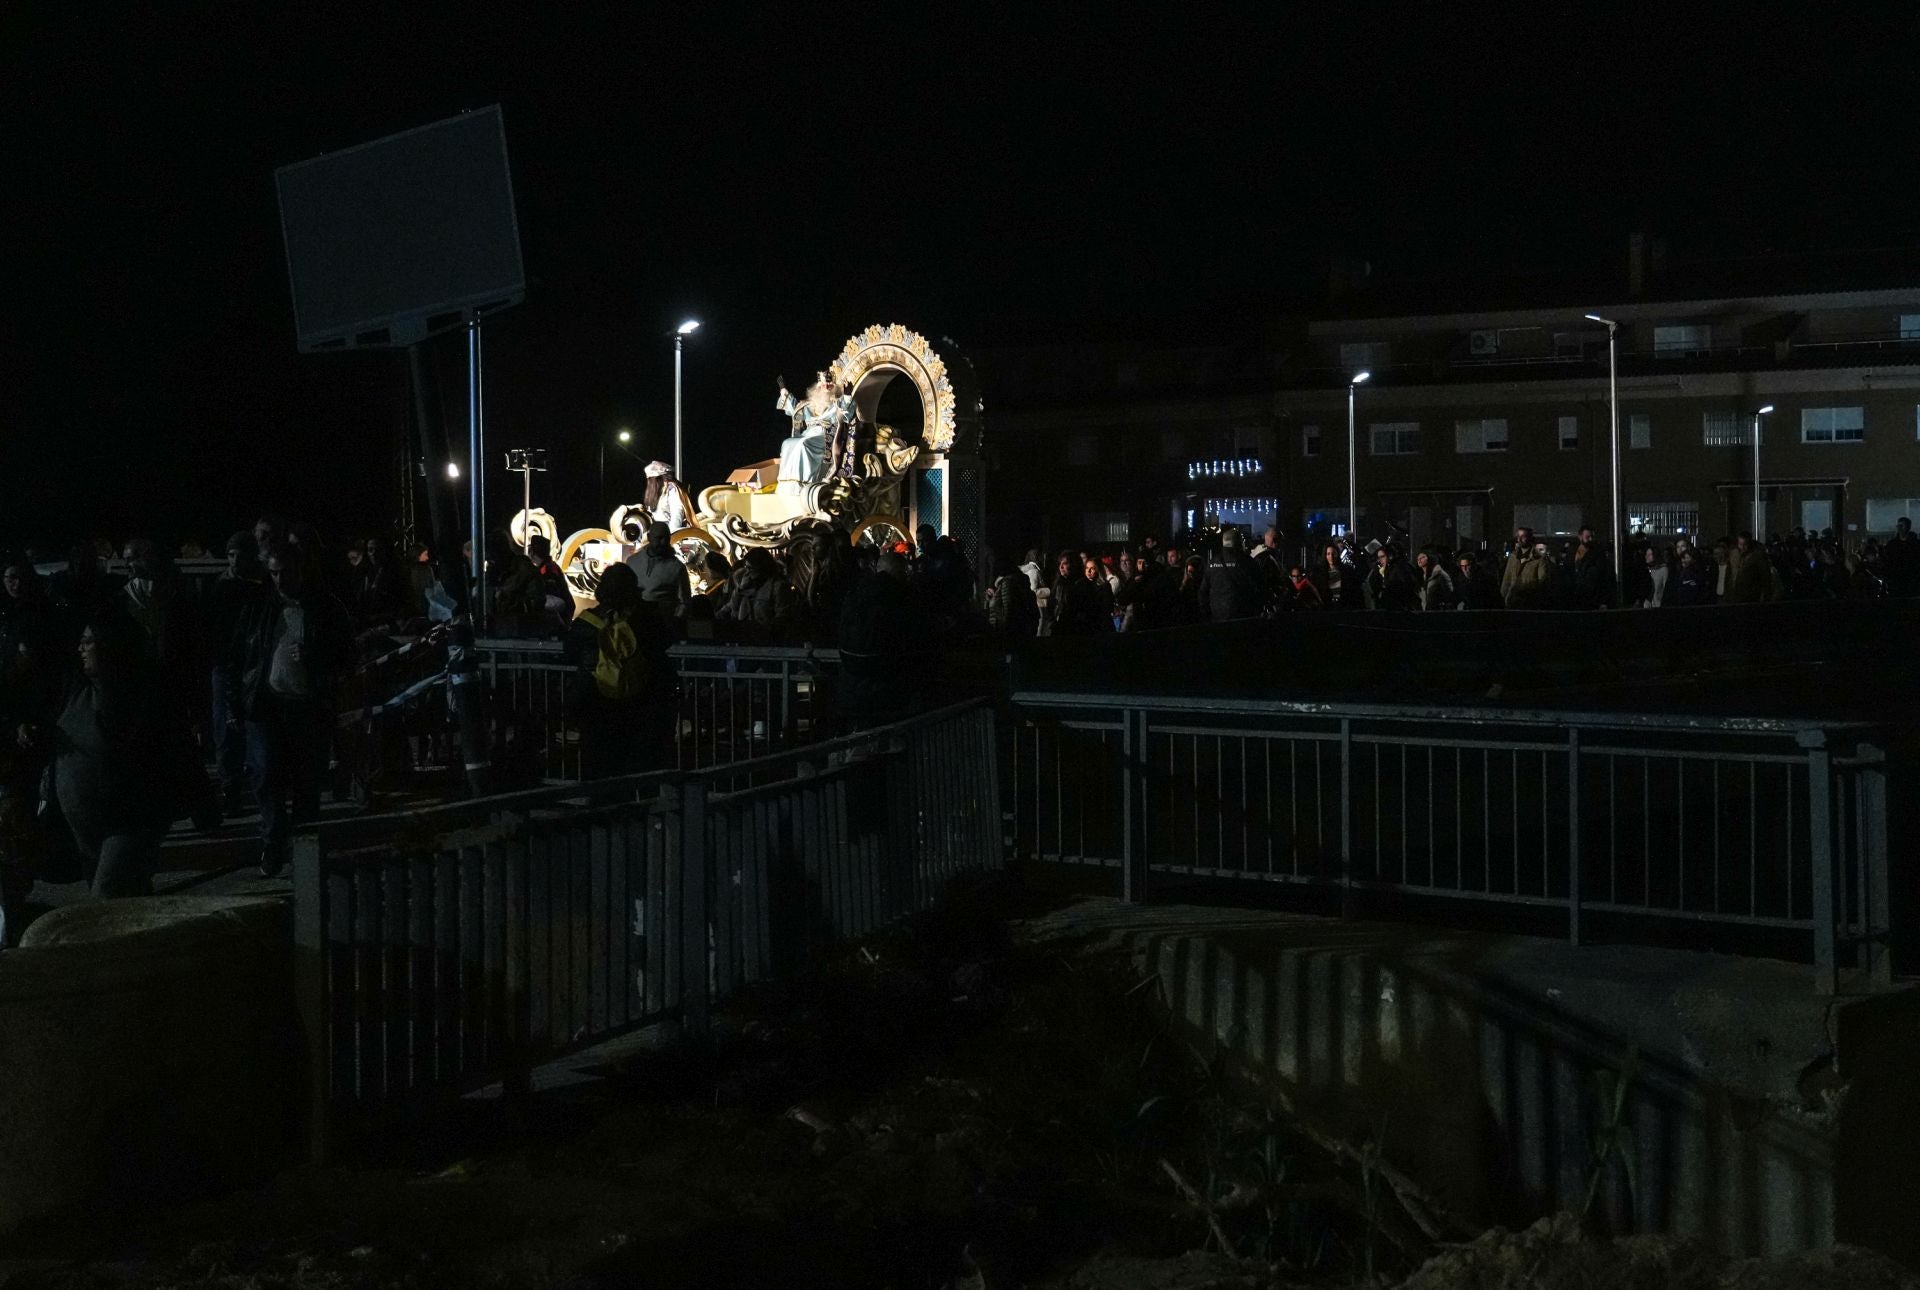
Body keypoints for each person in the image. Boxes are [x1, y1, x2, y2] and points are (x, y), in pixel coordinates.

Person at [43, 610, 187, 898]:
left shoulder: (140, 700)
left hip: (128, 821)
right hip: (85, 826)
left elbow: (165, 759)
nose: (80, 649)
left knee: (107, 895)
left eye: (89, 642)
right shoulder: (76, 690)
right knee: (125, 903)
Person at [235, 544, 354, 877]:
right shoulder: (259, 606)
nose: (279, 580)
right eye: (273, 573)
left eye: (285, 572)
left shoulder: (325, 607)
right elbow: (241, 655)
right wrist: (237, 701)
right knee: (266, 773)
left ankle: (305, 849)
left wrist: (316, 656)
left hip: (307, 706)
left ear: (301, 570)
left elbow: (347, 656)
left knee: (306, 782)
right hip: (266, 703)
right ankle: (273, 841)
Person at [564, 562, 676, 778]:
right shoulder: (648, 617)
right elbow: (665, 642)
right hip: (643, 704)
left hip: (597, 702)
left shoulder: (586, 621)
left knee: (600, 767)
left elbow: (569, 651)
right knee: (641, 769)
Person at [205, 532, 263, 813]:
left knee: (254, 726)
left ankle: (253, 784)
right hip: (226, 665)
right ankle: (231, 789)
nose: (236, 560)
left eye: (240, 554)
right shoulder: (220, 588)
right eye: (231, 555)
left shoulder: (260, 587)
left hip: (254, 665)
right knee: (226, 731)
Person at [775, 371, 858, 484]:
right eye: (823, 385)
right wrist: (784, 391)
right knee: (787, 443)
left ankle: (806, 481)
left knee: (803, 444)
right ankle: (788, 480)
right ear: (818, 387)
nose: (826, 387)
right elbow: (795, 409)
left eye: (829, 385)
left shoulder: (837, 405)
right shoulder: (810, 404)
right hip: (808, 433)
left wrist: (847, 396)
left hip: (825, 435)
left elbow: (847, 415)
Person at [625, 521, 691, 625]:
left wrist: (675, 621)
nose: (663, 542)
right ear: (649, 537)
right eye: (659, 538)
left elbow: (685, 601)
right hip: (636, 622)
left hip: (663, 624)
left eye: (666, 538)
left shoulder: (677, 567)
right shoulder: (632, 561)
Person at [1199, 529, 1261, 622]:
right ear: (1239, 543)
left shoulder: (1213, 562)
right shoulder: (1248, 562)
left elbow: (1203, 592)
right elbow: (1259, 587)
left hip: (1218, 617)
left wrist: (1208, 614)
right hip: (1243, 616)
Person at [986, 554, 1040, 638]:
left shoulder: (1007, 582)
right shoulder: (1018, 580)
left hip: (1007, 633)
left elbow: (1008, 610)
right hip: (1020, 630)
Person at [1500, 527, 1550, 609]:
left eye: (1523, 536)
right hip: (1512, 601)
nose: (1519, 539)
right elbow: (1507, 579)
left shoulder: (1539, 558)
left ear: (1530, 538)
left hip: (1530, 602)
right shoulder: (1513, 557)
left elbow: (1543, 582)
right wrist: (1503, 599)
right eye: (1518, 536)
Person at [643, 461, 695, 533]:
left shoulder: (672, 489)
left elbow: (677, 514)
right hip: (656, 531)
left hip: (669, 532)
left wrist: (671, 535)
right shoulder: (654, 492)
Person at [1722, 533, 1773, 604]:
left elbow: (1765, 576)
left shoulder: (1757, 555)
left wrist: (1765, 596)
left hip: (1750, 596)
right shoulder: (1733, 553)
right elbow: (1729, 573)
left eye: (1745, 544)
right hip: (1733, 595)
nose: (1742, 547)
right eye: (1740, 544)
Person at [1364, 545, 1419, 611]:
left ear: (1390, 556)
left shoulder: (1398, 568)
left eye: (1382, 556)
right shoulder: (1389, 568)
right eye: (1379, 558)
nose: (1380, 560)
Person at [1883, 516, 1920, 598]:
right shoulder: (1892, 545)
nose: (1899, 528)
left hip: (1911, 582)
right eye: (1898, 526)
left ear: (1908, 527)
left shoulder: (1916, 545)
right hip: (1896, 582)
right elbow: (1887, 562)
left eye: (1901, 526)